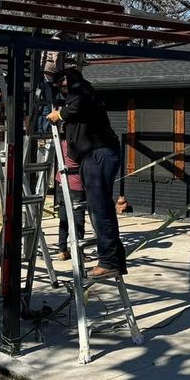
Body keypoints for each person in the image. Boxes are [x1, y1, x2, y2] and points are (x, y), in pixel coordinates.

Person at [47, 67, 127, 279]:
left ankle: (109, 261)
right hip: (97, 155)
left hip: (98, 155)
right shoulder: (81, 97)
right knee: (101, 208)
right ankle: (115, 259)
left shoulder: (82, 92)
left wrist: (59, 114)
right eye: (60, 88)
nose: (63, 91)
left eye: (65, 86)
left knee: (99, 209)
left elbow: (76, 104)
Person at [54, 135, 85, 260]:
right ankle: (78, 252)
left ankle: (62, 250)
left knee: (64, 219)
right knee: (78, 221)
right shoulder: (80, 145)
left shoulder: (62, 144)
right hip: (76, 185)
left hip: (62, 183)